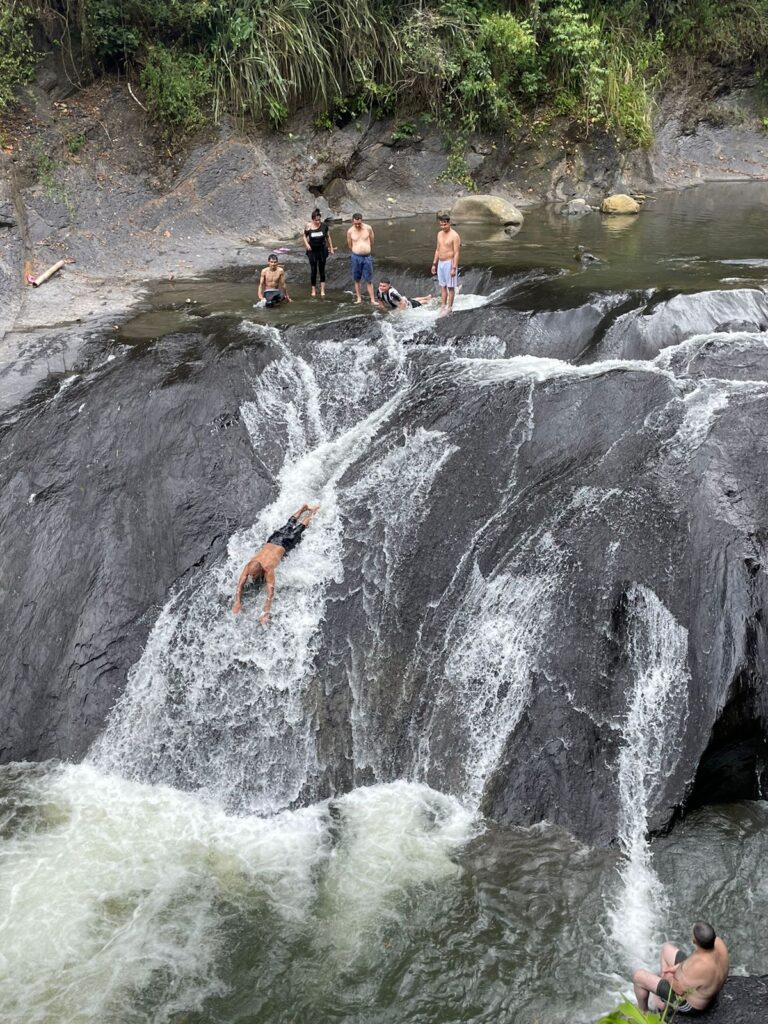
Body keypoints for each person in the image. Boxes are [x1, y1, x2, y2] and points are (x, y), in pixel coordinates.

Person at [232, 503, 320, 622]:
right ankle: (302, 508)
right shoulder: (250, 565)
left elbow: (270, 592)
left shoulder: (268, 569)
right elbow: (240, 585)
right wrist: (237, 601)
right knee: (289, 524)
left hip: (285, 542)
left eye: (254, 575)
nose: (251, 577)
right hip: (274, 539)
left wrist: (265, 612)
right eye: (251, 575)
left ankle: (313, 512)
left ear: (261, 570)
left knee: (301, 527)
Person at [632, 922, 729, 1016]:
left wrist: (668, 976)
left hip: (690, 1004)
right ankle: (662, 1001)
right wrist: (678, 967)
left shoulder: (700, 966)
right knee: (666, 948)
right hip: (702, 984)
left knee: (638, 977)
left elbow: (679, 990)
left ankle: (644, 1013)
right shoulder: (718, 943)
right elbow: (694, 961)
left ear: (694, 941)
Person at [431, 213, 461, 312]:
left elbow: (456, 253)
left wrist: (454, 267)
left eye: (445, 224)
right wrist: (434, 264)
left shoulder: (455, 236)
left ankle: (450, 307)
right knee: (442, 286)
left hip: (449, 262)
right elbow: (437, 249)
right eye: (441, 225)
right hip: (441, 262)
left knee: (450, 287)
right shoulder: (439, 234)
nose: (443, 227)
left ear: (449, 223)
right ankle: (443, 305)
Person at [303, 208, 334, 297]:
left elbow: (328, 237)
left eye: (319, 220)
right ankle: (313, 290)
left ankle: (322, 290)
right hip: (312, 251)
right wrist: (307, 244)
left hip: (322, 250)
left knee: (322, 269)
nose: (318, 222)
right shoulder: (308, 226)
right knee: (313, 270)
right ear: (312, 219)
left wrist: (331, 248)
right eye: (316, 220)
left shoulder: (324, 226)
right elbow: (304, 236)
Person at [346, 212, 375, 304]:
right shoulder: (350, 231)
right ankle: (359, 298)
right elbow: (349, 244)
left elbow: (372, 240)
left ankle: (372, 299)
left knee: (369, 279)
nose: (358, 225)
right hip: (356, 257)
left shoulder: (368, 228)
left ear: (362, 221)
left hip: (367, 257)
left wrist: (366, 249)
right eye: (356, 224)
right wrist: (357, 250)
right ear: (352, 222)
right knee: (357, 279)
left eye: (359, 223)